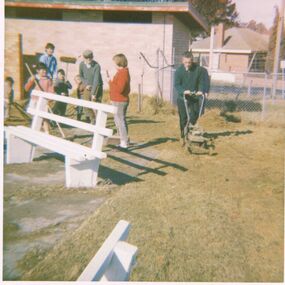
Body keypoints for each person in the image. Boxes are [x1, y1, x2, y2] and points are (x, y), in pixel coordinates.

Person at [174, 51, 210, 146]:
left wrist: (201, 90)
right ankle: (183, 136)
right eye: (186, 62)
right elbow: (177, 85)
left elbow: (201, 81)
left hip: (194, 97)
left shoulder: (198, 69)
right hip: (183, 98)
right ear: (182, 61)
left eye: (189, 62)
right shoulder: (179, 71)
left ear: (192, 61)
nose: (188, 64)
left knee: (195, 115)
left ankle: (191, 131)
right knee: (183, 118)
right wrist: (183, 91)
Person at [106, 54, 131, 149]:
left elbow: (120, 89)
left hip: (120, 101)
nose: (113, 64)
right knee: (118, 121)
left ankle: (124, 142)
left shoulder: (123, 73)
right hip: (117, 100)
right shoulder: (121, 72)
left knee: (120, 121)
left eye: (114, 62)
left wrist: (109, 81)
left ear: (119, 62)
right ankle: (122, 140)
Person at [25, 62, 54, 133]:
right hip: (34, 100)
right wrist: (31, 81)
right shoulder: (34, 78)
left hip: (44, 101)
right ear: (37, 70)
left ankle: (47, 132)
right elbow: (26, 88)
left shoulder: (48, 79)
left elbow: (51, 91)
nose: (44, 71)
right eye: (42, 70)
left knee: (44, 118)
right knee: (35, 117)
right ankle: (37, 131)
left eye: (45, 70)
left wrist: (49, 99)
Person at [79, 50, 103, 124]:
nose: (88, 59)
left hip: (97, 87)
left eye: (90, 58)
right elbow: (81, 76)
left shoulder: (97, 66)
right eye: (86, 58)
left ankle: (100, 123)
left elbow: (96, 80)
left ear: (92, 57)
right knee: (85, 105)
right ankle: (93, 119)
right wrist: (86, 84)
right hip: (87, 87)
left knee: (97, 105)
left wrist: (93, 94)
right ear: (84, 58)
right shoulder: (81, 64)